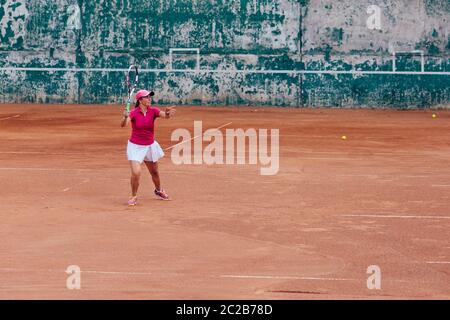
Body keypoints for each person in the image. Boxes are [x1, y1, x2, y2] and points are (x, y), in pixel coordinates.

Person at [121, 89, 176, 206]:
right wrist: (125, 117)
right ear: (140, 100)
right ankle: (133, 196)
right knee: (136, 172)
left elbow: (165, 116)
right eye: (147, 97)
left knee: (155, 172)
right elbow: (124, 124)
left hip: (150, 146)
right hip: (135, 147)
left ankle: (159, 190)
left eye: (150, 97)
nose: (149, 99)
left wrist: (167, 113)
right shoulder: (134, 113)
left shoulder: (153, 111)